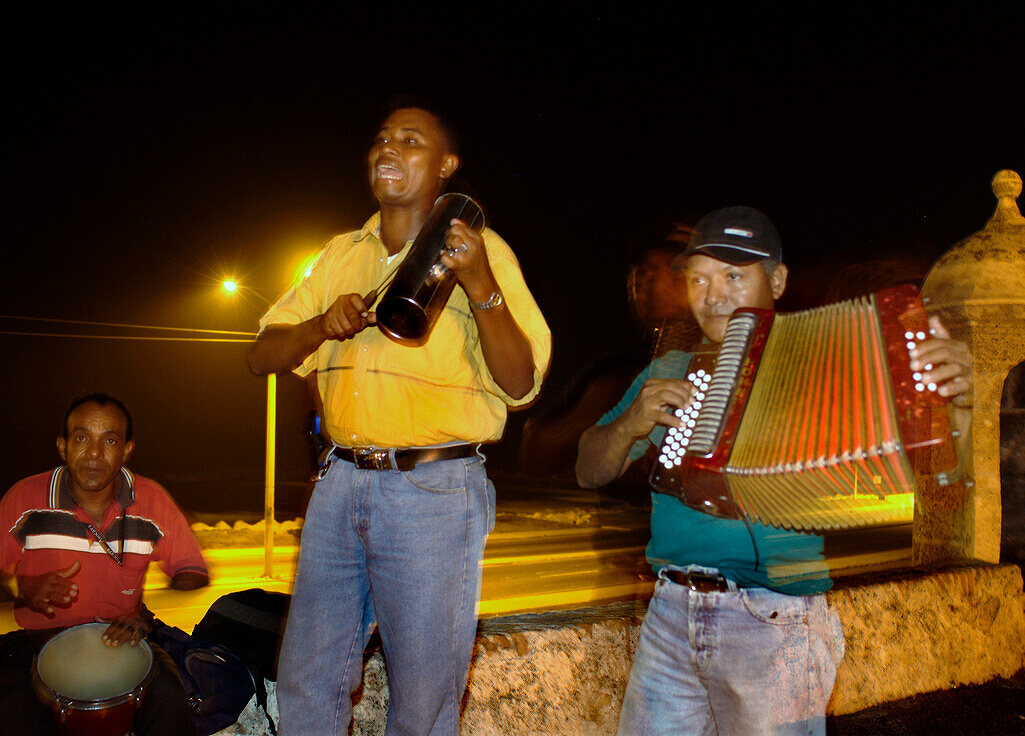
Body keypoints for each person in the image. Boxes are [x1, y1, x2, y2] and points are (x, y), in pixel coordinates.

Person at [576, 206, 973, 736]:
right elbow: (588, 470)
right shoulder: (671, 372)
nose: (713, 295)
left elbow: (940, 480)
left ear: (778, 280)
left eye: (734, 275)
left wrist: (962, 406)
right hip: (669, 615)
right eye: (699, 278)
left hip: (774, 622)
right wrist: (628, 424)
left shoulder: (834, 367)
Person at [248, 99, 551, 736]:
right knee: (309, 678)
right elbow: (261, 355)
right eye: (382, 139)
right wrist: (316, 324)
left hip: (433, 489)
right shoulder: (337, 255)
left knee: (423, 694)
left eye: (411, 141)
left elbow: (520, 381)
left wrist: (479, 284)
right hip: (339, 485)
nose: (389, 149)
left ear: (446, 165)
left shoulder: (481, 249)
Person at [0, 393, 209, 735]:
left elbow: (192, 570)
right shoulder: (24, 499)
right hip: (35, 641)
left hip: (120, 637)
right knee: (12, 711)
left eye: (109, 440)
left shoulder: (151, 498)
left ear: (126, 450)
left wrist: (142, 616)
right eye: (82, 438)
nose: (95, 453)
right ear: (62, 446)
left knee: (171, 703)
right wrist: (23, 590)